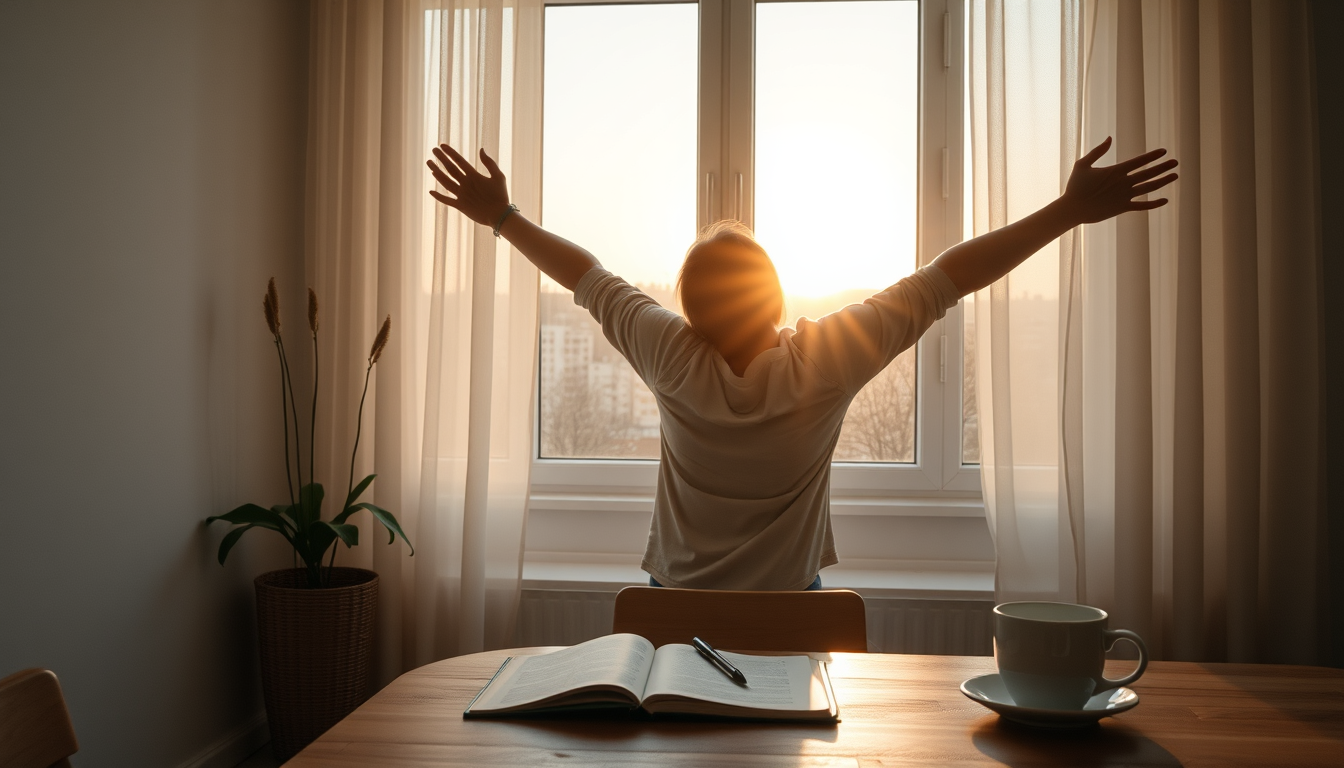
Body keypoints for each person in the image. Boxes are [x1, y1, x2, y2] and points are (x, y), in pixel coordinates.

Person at [427, 137, 1177, 591]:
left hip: (672, 604)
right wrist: (1066, 211)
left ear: (690, 305)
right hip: (790, 610)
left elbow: (585, 276)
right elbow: (950, 276)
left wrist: (502, 216)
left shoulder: (668, 353)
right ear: (774, 293)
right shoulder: (825, 361)